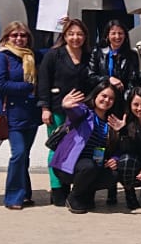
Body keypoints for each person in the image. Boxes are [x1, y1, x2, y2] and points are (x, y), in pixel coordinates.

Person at [37, 18, 94, 207]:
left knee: (77, 148)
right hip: (57, 110)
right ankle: (57, 189)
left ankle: (72, 184)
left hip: (82, 113)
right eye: (71, 34)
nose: (75, 38)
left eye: (79, 34)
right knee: (57, 148)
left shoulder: (88, 56)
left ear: (85, 36)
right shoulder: (54, 55)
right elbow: (43, 81)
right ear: (64, 35)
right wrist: (45, 108)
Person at [0, 22, 41, 210]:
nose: (19, 38)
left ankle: (25, 193)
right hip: (11, 115)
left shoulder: (31, 56)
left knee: (24, 155)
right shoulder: (1, 57)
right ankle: (13, 197)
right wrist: (27, 87)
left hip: (30, 114)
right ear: (6, 38)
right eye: (15, 35)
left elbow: (56, 49)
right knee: (18, 154)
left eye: (23, 35)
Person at [50, 81, 121, 214]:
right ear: (95, 95)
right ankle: (74, 196)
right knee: (89, 165)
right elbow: (74, 113)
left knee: (113, 174)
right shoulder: (84, 112)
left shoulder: (110, 122)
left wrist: (115, 158)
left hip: (92, 166)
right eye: (104, 96)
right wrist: (67, 107)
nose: (107, 100)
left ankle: (85, 192)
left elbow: (115, 148)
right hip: (69, 166)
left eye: (111, 98)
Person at [89, 19, 140, 92]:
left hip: (122, 96)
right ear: (107, 35)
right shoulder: (97, 52)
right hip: (101, 94)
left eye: (120, 33)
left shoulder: (132, 55)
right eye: (113, 33)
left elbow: (133, 81)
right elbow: (91, 77)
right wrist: (108, 79)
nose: (117, 36)